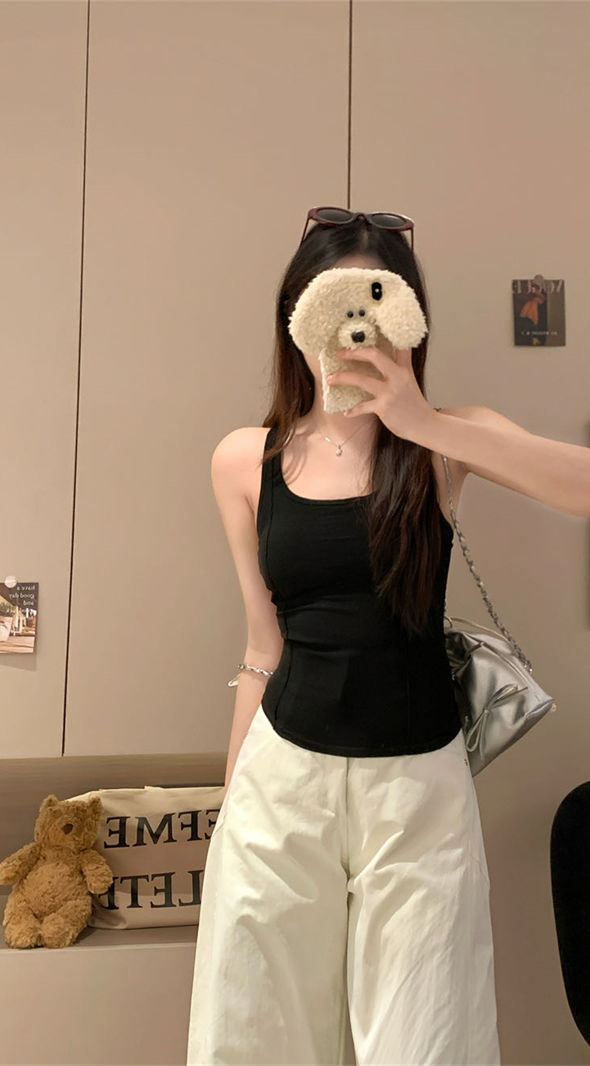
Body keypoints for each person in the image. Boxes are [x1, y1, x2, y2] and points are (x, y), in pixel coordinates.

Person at [186, 208, 501, 1065]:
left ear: (408, 317)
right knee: (256, 1036)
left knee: (427, 1041)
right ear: (296, 317)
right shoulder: (244, 458)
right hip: (283, 779)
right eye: (330, 304)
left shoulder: (444, 443)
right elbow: (262, 646)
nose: (351, 329)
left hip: (418, 789)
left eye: (375, 300)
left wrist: (423, 420)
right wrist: (231, 809)